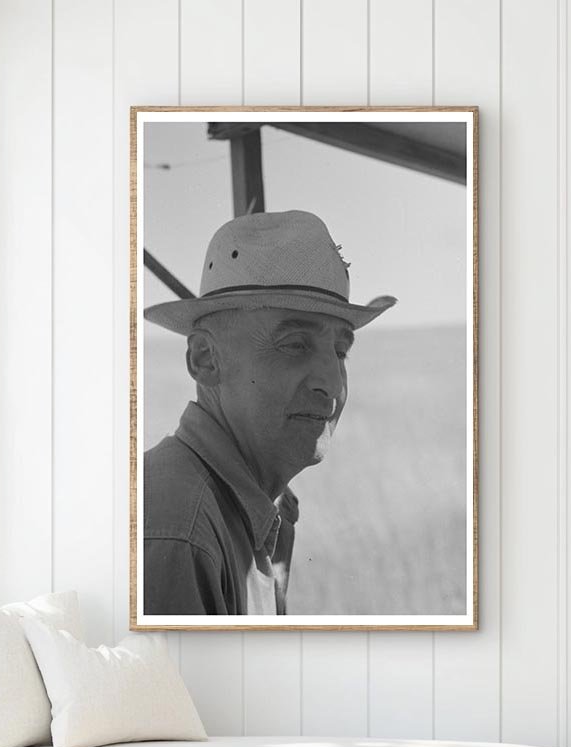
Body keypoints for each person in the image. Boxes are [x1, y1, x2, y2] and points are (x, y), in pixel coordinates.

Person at [142, 209, 396, 615]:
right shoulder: (178, 531)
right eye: (295, 345)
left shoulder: (248, 507)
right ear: (205, 359)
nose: (332, 383)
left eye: (340, 350)